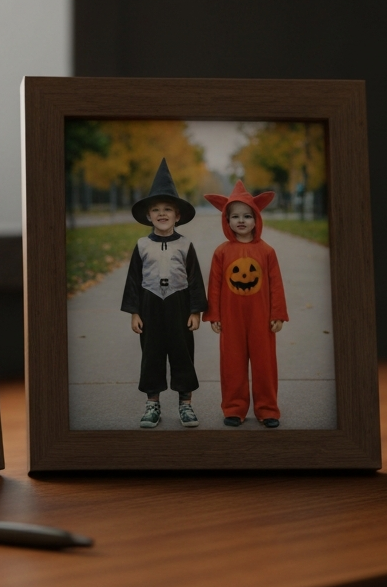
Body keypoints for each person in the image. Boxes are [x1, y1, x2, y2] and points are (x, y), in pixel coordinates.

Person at [120, 159, 207, 429]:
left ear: (177, 215)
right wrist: (134, 312)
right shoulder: (142, 245)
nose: (161, 214)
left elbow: (194, 279)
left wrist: (196, 311)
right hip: (150, 306)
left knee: (182, 354)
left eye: (167, 209)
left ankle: (186, 404)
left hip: (179, 305)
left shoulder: (185, 245)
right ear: (148, 215)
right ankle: (152, 404)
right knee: (152, 355)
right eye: (155, 209)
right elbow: (133, 279)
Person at [203, 181, 288, 427]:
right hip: (231, 319)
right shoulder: (221, 252)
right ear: (226, 221)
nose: (241, 221)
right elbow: (215, 285)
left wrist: (278, 314)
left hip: (261, 318)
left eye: (247, 216)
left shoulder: (267, 251)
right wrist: (214, 315)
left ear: (256, 219)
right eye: (235, 216)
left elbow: (276, 285)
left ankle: (268, 409)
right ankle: (234, 407)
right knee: (232, 364)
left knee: (265, 364)